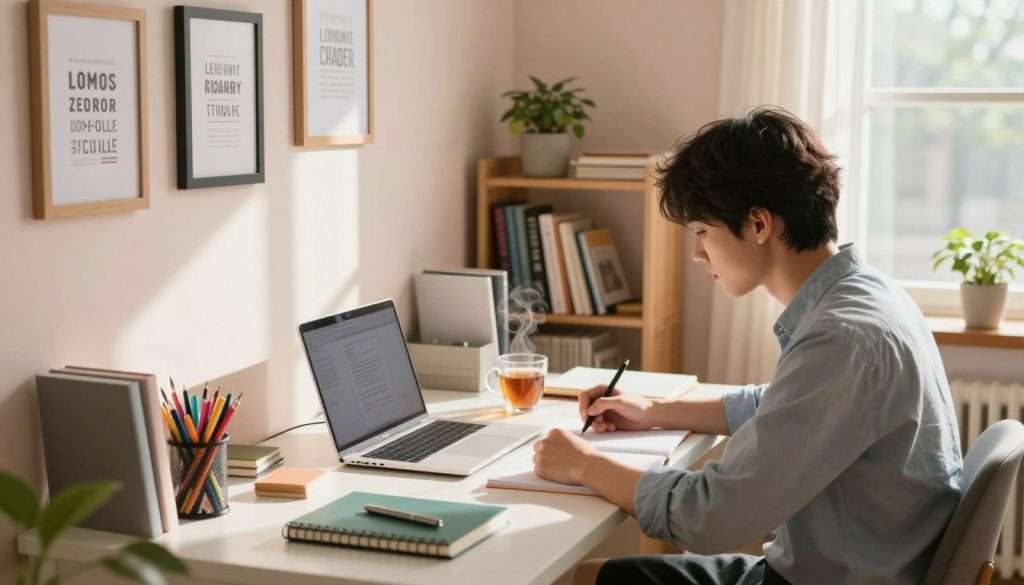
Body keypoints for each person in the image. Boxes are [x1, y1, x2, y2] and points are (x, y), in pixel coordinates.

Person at [532, 106, 964, 585]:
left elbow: (711, 517)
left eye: (701, 232)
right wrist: (654, 410)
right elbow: (780, 405)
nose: (697, 253)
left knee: (591, 579)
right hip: (854, 566)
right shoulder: (866, 294)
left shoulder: (841, 338)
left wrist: (584, 464)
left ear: (759, 225)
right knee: (595, 576)